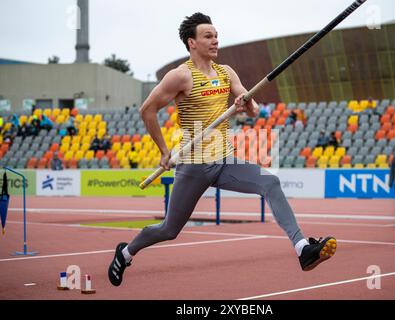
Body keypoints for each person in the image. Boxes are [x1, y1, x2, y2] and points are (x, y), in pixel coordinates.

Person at [108, 12, 336, 287]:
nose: (215, 40)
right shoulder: (179, 76)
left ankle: (302, 249)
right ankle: (126, 252)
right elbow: (147, 110)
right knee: (169, 229)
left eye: (216, 35)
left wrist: (246, 102)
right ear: (192, 42)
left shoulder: (226, 73)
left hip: (224, 159)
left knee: (270, 182)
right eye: (208, 36)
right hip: (194, 164)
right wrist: (163, 150)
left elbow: (253, 111)